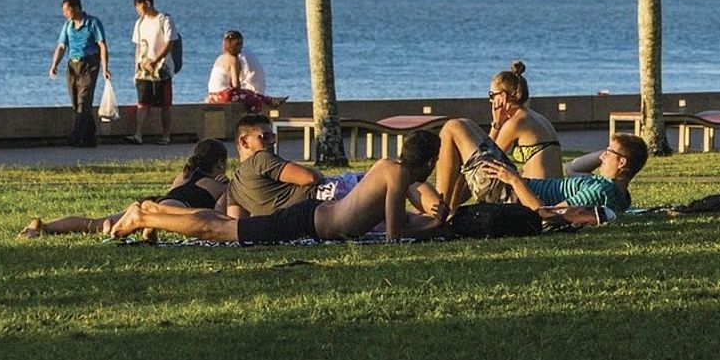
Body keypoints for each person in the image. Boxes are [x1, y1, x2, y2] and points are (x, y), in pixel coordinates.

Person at [106, 130, 443, 244]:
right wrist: (440, 225)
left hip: (315, 214)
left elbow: (402, 221)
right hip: (305, 221)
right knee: (222, 232)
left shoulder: (386, 167)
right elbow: (395, 237)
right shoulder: (397, 176)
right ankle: (145, 217)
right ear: (430, 163)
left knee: (224, 225)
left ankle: (155, 211)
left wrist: (431, 220)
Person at [18, 138, 231, 238]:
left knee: (94, 222)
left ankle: (43, 227)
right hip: (173, 209)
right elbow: (222, 214)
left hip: (154, 203)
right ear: (220, 164)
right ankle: (147, 228)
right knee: (207, 217)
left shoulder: (183, 175)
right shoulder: (221, 186)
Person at [439, 129, 648, 224]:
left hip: (512, 196)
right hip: (514, 187)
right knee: (464, 129)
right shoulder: (617, 193)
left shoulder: (601, 191)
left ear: (622, 163)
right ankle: (447, 213)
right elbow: (573, 167)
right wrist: (610, 152)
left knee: (454, 128)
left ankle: (438, 217)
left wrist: (514, 180)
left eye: (608, 153)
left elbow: (550, 216)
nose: (602, 155)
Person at [224, 113, 321, 217]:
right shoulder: (260, 159)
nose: (272, 142)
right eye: (265, 137)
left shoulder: (234, 188)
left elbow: (236, 224)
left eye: (272, 137)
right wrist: (318, 173)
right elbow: (311, 177)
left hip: (303, 218)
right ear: (244, 142)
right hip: (326, 198)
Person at [47, 0, 110, 147]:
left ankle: (75, 138)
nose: (65, 14)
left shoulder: (93, 23)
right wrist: (54, 65)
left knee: (84, 102)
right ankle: (89, 138)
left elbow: (102, 45)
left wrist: (105, 68)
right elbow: (61, 46)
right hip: (72, 66)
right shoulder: (68, 26)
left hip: (89, 65)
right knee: (76, 103)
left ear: (76, 8)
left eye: (66, 10)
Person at [488, 61, 564, 180]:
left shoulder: (516, 123)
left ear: (503, 97)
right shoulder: (538, 118)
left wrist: (496, 123)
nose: (490, 100)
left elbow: (487, 159)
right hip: (554, 189)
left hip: (540, 192)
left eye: (491, 95)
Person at [129, 0, 180, 145]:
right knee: (142, 102)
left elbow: (170, 42)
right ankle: (138, 134)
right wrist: (136, 67)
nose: (137, 10)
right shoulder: (139, 23)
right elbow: (138, 46)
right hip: (143, 69)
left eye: (138, 6)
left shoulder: (164, 20)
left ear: (147, 3)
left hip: (162, 69)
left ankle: (166, 135)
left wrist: (156, 60)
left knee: (165, 103)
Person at [206, 30, 281, 110]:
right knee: (255, 100)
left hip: (212, 95)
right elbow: (236, 85)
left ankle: (269, 100)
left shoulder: (220, 58)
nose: (241, 47)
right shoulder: (233, 60)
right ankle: (254, 118)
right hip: (225, 95)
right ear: (236, 46)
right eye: (240, 44)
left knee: (249, 93)